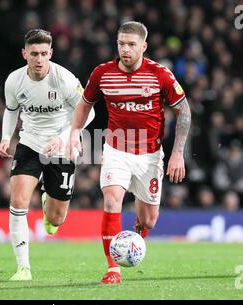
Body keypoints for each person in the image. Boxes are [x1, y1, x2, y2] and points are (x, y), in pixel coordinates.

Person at [67, 21, 191, 284]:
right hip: (116, 149)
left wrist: (177, 153)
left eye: (131, 44)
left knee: (149, 221)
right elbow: (85, 103)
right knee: (112, 201)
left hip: (150, 155)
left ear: (143, 46)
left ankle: (137, 229)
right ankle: (113, 269)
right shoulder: (102, 73)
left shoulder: (160, 74)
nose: (125, 49)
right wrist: (74, 132)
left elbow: (184, 111)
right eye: (121, 43)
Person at [0, 29, 94, 281]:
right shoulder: (14, 81)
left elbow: (88, 113)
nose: (39, 59)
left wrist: (63, 137)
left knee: (55, 219)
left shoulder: (64, 78)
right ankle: (23, 268)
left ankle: (49, 205)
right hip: (29, 144)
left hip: (61, 147)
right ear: (24, 53)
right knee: (18, 201)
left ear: (50, 53)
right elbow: (11, 110)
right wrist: (7, 137)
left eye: (43, 54)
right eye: (34, 54)